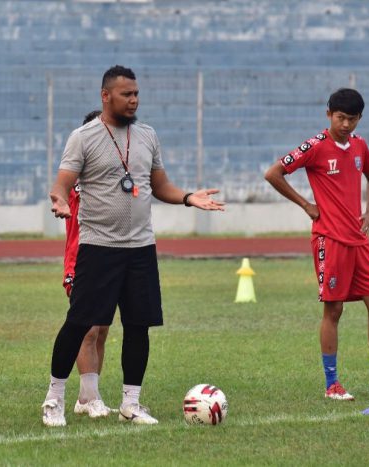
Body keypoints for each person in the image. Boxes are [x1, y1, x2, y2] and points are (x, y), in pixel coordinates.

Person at [42, 66, 225, 427]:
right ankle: (54, 399)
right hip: (98, 247)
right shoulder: (83, 137)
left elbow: (160, 185)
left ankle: (131, 403)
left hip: (141, 248)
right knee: (79, 323)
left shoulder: (147, 136)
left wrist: (188, 197)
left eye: (137, 93)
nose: (134, 100)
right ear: (106, 96)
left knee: (138, 326)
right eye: (127, 94)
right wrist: (60, 200)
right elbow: (62, 183)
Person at [264, 88, 369, 401]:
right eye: (340, 117)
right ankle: (332, 385)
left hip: (358, 240)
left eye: (352, 118)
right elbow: (274, 173)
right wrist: (306, 205)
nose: (346, 124)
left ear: (360, 118)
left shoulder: (361, 146)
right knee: (333, 310)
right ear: (329, 114)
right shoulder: (316, 146)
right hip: (330, 239)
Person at [63, 109, 113, 419]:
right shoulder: (78, 177)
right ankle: (89, 397)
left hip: (110, 259)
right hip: (81, 262)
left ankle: (87, 397)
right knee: (89, 330)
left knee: (103, 330)